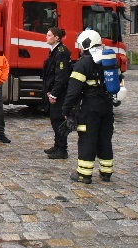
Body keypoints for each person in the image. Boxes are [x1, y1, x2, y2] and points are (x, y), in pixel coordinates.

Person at [62, 29, 114, 183]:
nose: (79, 48)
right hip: (107, 106)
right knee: (105, 138)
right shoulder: (108, 59)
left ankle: (84, 174)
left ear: (86, 44)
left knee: (87, 139)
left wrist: (66, 109)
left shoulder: (83, 63)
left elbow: (73, 90)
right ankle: (106, 173)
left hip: (90, 108)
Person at [42, 27, 72, 159]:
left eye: (49, 35)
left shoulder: (61, 52)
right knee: (54, 119)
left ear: (57, 38)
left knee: (58, 120)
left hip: (60, 93)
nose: (46, 37)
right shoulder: (54, 51)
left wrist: (54, 94)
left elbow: (61, 76)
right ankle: (57, 145)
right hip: (54, 90)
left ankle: (62, 149)